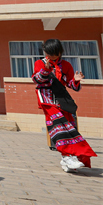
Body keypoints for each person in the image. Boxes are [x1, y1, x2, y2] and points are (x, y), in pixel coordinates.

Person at [33, 39, 97, 172]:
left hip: (62, 99)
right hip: (47, 99)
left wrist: (76, 81)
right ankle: (67, 156)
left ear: (60, 52)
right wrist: (45, 70)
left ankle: (67, 157)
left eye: (55, 53)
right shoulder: (40, 63)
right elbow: (36, 80)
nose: (52, 56)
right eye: (49, 53)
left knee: (70, 126)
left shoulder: (66, 65)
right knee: (59, 125)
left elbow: (70, 85)